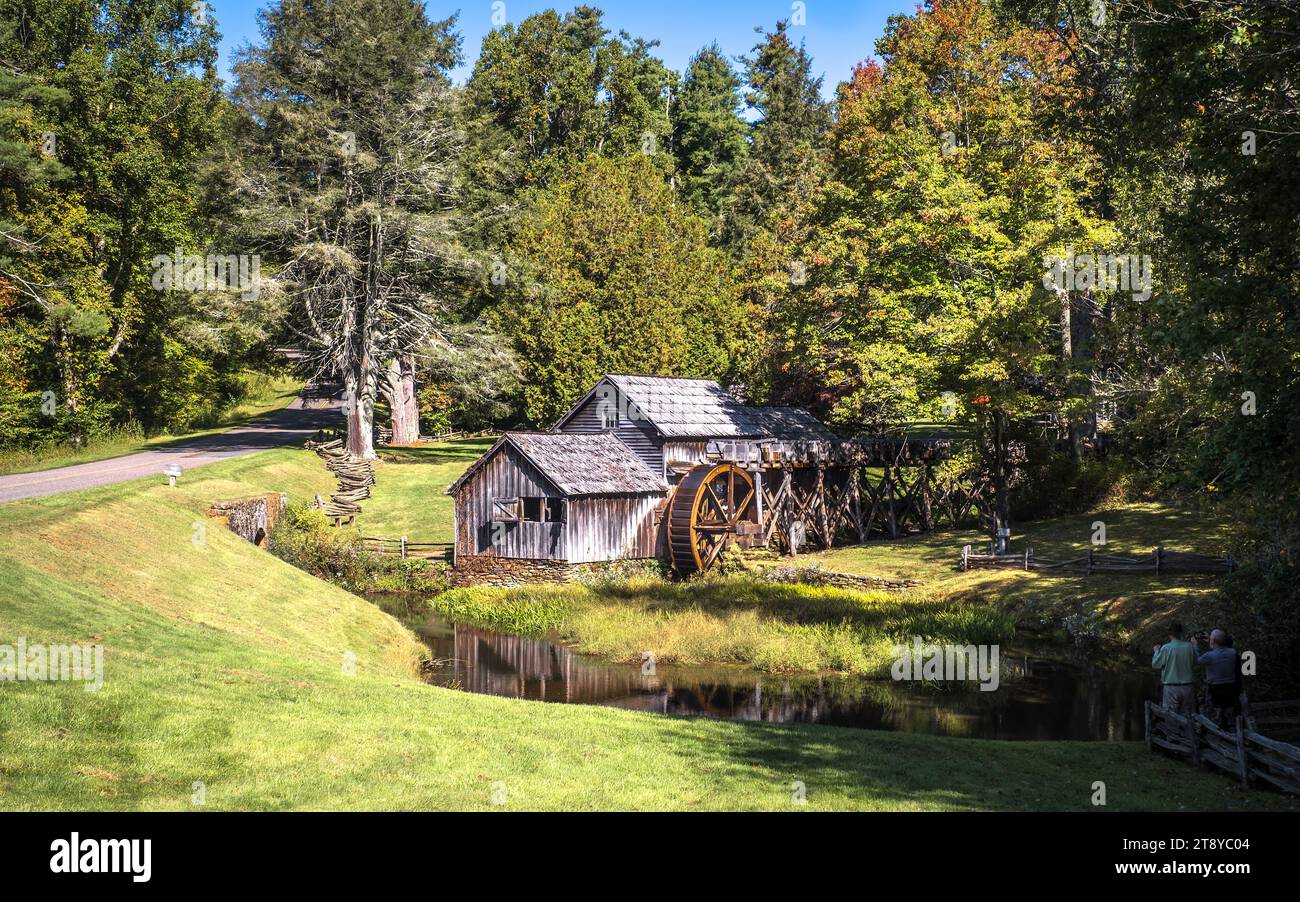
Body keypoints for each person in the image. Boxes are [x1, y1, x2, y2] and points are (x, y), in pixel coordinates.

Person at [1196, 629, 1241, 728]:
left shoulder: (1209, 656)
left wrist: (1195, 646)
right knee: (1230, 717)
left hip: (1215, 690)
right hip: (1231, 690)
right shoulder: (1233, 653)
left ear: (1213, 642)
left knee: (1215, 718)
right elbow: (1220, 651)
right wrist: (1211, 641)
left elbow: (1197, 660)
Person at [1152, 621, 1198, 714]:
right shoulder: (1189, 647)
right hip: (1188, 687)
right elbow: (1196, 661)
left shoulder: (1166, 648)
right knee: (1188, 716)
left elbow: (1156, 665)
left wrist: (1156, 651)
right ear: (1181, 633)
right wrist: (1195, 647)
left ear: (1170, 634)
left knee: (1171, 717)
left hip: (1171, 688)